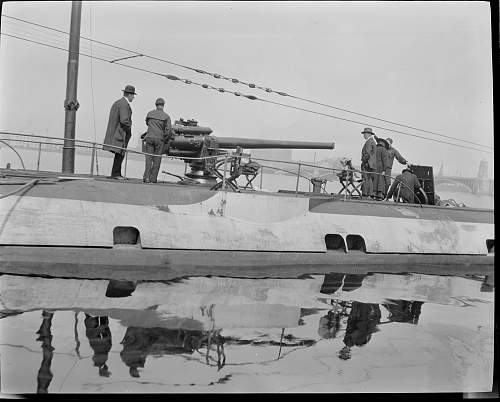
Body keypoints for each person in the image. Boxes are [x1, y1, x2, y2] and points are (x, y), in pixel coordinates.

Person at [103, 85, 137, 179]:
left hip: (116, 132)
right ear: (129, 94)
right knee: (120, 153)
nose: (133, 97)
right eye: (133, 95)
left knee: (119, 154)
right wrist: (129, 129)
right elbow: (124, 120)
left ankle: (116, 173)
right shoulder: (124, 104)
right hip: (120, 133)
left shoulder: (118, 103)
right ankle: (116, 174)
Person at [142, 97, 172, 183]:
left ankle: (146, 178)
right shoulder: (166, 116)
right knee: (157, 159)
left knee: (148, 158)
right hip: (160, 140)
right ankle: (153, 179)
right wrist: (165, 139)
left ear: (156, 105)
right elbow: (168, 131)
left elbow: (147, 123)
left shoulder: (149, 114)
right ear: (163, 105)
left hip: (149, 138)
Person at [360, 127, 377, 198]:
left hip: (367, 163)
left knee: (366, 178)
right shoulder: (373, 142)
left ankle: (365, 194)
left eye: (364, 134)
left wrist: (363, 161)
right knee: (369, 179)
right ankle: (369, 194)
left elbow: (367, 154)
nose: (364, 135)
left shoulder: (369, 142)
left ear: (368, 134)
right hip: (371, 164)